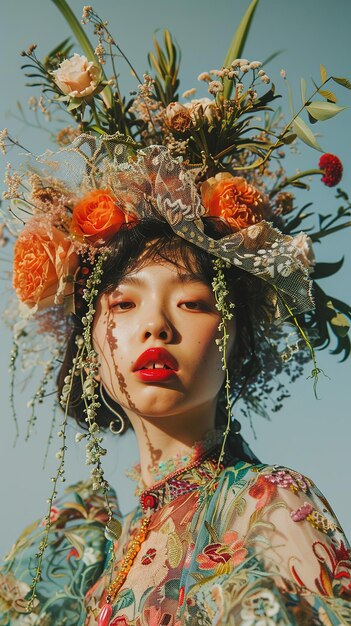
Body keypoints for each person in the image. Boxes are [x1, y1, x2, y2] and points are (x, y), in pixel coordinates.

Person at [1, 4, 351, 623]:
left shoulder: (266, 503)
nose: (155, 326)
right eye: (125, 304)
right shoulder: (81, 545)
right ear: (88, 344)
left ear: (237, 336)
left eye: (192, 302)